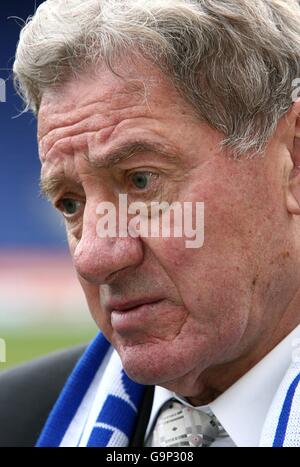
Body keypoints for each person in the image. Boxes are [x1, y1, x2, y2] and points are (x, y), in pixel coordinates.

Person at [1, 0, 300, 447]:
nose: (93, 257)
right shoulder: (13, 419)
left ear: (292, 161)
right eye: (70, 204)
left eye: (140, 181)